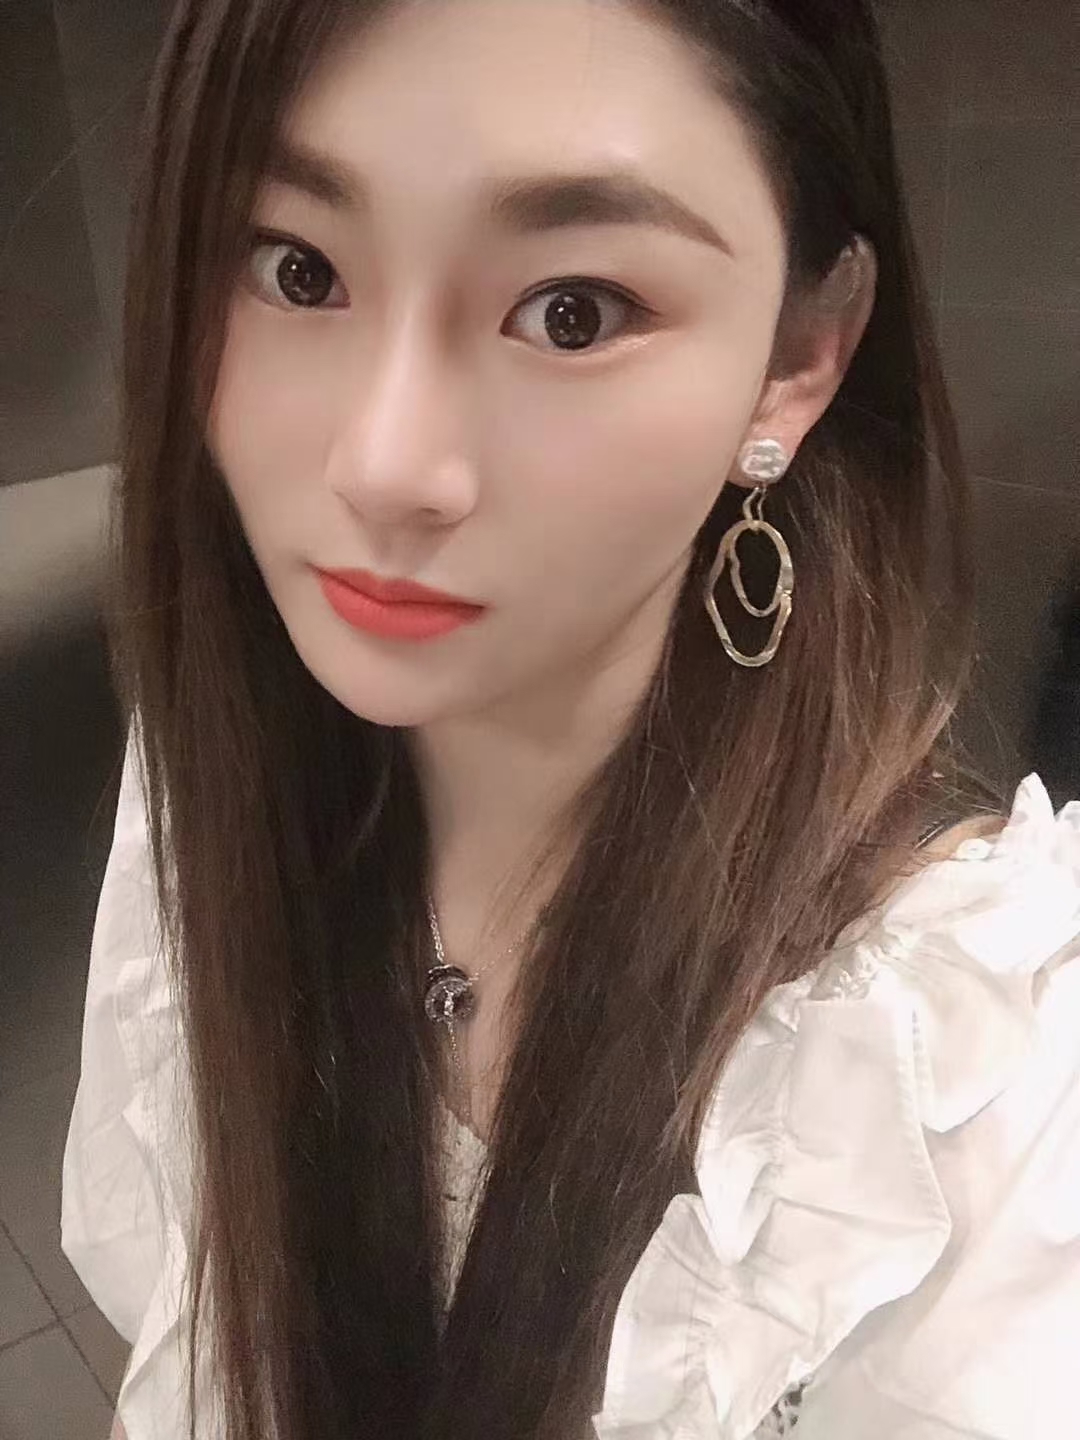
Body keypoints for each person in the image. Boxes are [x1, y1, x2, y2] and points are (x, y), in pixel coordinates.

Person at [59, 0, 1080, 1437]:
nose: (385, 465)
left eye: (573, 312)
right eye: (299, 269)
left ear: (797, 357)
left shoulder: (971, 1101)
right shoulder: (210, 779)